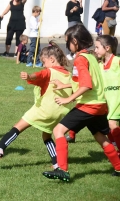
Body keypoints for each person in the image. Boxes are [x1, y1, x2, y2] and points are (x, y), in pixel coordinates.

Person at [42, 24, 120, 182]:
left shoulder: (80, 59)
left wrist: (67, 99)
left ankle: (62, 170)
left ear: (75, 41)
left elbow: (86, 84)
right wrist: (65, 85)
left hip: (88, 105)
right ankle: (119, 167)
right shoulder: (91, 56)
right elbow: (86, 81)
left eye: (68, 42)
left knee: (58, 131)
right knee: (101, 137)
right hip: (100, 105)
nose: (67, 45)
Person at [0, 41, 73, 171]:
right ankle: (57, 163)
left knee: (18, 127)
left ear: (52, 60)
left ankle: (0, 148)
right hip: (60, 112)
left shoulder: (49, 72)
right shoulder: (69, 75)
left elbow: (39, 75)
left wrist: (29, 76)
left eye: (44, 62)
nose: (44, 66)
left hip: (44, 109)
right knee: (46, 136)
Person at [94, 35, 120, 156]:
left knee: (112, 124)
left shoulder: (117, 61)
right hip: (107, 101)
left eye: (97, 47)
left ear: (107, 48)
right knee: (108, 125)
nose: (95, 50)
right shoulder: (99, 65)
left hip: (117, 100)